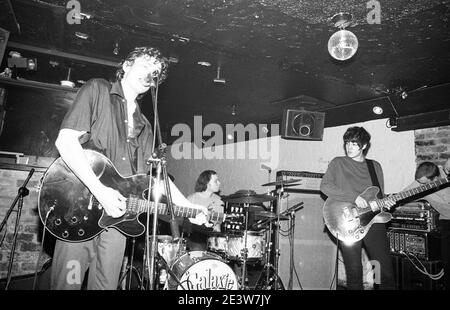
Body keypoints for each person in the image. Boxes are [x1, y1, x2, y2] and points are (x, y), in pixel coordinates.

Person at [50, 46, 209, 290]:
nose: (150, 73)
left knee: (105, 286)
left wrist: (188, 207)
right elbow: (66, 141)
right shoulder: (98, 90)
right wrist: (100, 190)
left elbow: (155, 180)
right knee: (68, 285)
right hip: (78, 209)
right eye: (145, 65)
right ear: (126, 66)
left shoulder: (145, 125)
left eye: (155, 72)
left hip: (118, 221)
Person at [320, 126, 396, 290]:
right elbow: (325, 186)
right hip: (347, 222)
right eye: (347, 143)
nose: (349, 147)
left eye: (354, 144)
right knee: (354, 273)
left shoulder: (375, 166)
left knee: (384, 271)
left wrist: (386, 203)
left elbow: (379, 196)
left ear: (364, 146)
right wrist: (354, 197)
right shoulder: (338, 163)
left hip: (374, 222)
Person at [403, 160, 450, 289]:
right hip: (447, 221)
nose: (421, 185)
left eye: (424, 183)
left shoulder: (446, 173)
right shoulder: (420, 183)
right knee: (448, 262)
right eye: (419, 182)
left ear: (434, 178)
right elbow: (403, 194)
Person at [182, 170, 224, 251]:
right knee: (198, 248)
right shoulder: (191, 200)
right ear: (207, 183)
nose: (219, 183)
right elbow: (185, 225)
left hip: (211, 236)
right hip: (194, 237)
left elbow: (217, 226)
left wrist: (218, 241)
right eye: (216, 181)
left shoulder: (218, 200)